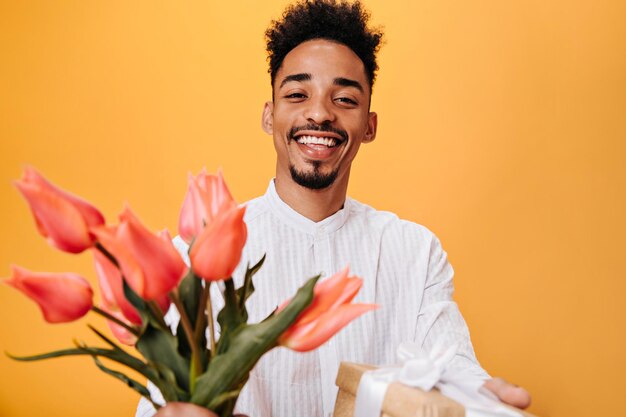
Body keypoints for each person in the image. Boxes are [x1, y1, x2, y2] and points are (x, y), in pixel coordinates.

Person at [141, 1, 531, 416]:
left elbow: (451, 367)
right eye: (297, 94)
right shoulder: (197, 260)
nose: (319, 113)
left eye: (344, 98)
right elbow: (160, 405)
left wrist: (481, 396)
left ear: (369, 126)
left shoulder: (415, 252)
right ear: (270, 116)